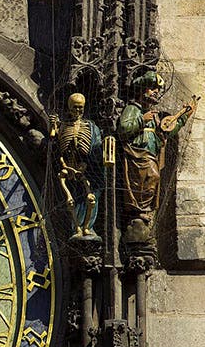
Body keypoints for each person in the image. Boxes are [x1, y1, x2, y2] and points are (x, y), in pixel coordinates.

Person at [118, 71, 196, 227]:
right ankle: (136, 211)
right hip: (136, 156)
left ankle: (144, 210)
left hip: (151, 156)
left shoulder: (154, 115)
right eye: (152, 88)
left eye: (157, 89)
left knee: (153, 180)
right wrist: (142, 119)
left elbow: (166, 130)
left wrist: (183, 117)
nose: (156, 92)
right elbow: (123, 129)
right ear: (142, 89)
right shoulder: (133, 109)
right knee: (142, 183)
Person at [50, 93, 107, 239]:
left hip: (87, 170)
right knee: (72, 199)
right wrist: (54, 128)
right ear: (69, 108)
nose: (78, 111)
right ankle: (76, 227)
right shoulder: (63, 126)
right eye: (75, 107)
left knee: (90, 197)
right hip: (67, 169)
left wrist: (86, 164)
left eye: (81, 108)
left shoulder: (91, 127)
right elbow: (56, 148)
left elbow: (97, 147)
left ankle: (87, 226)